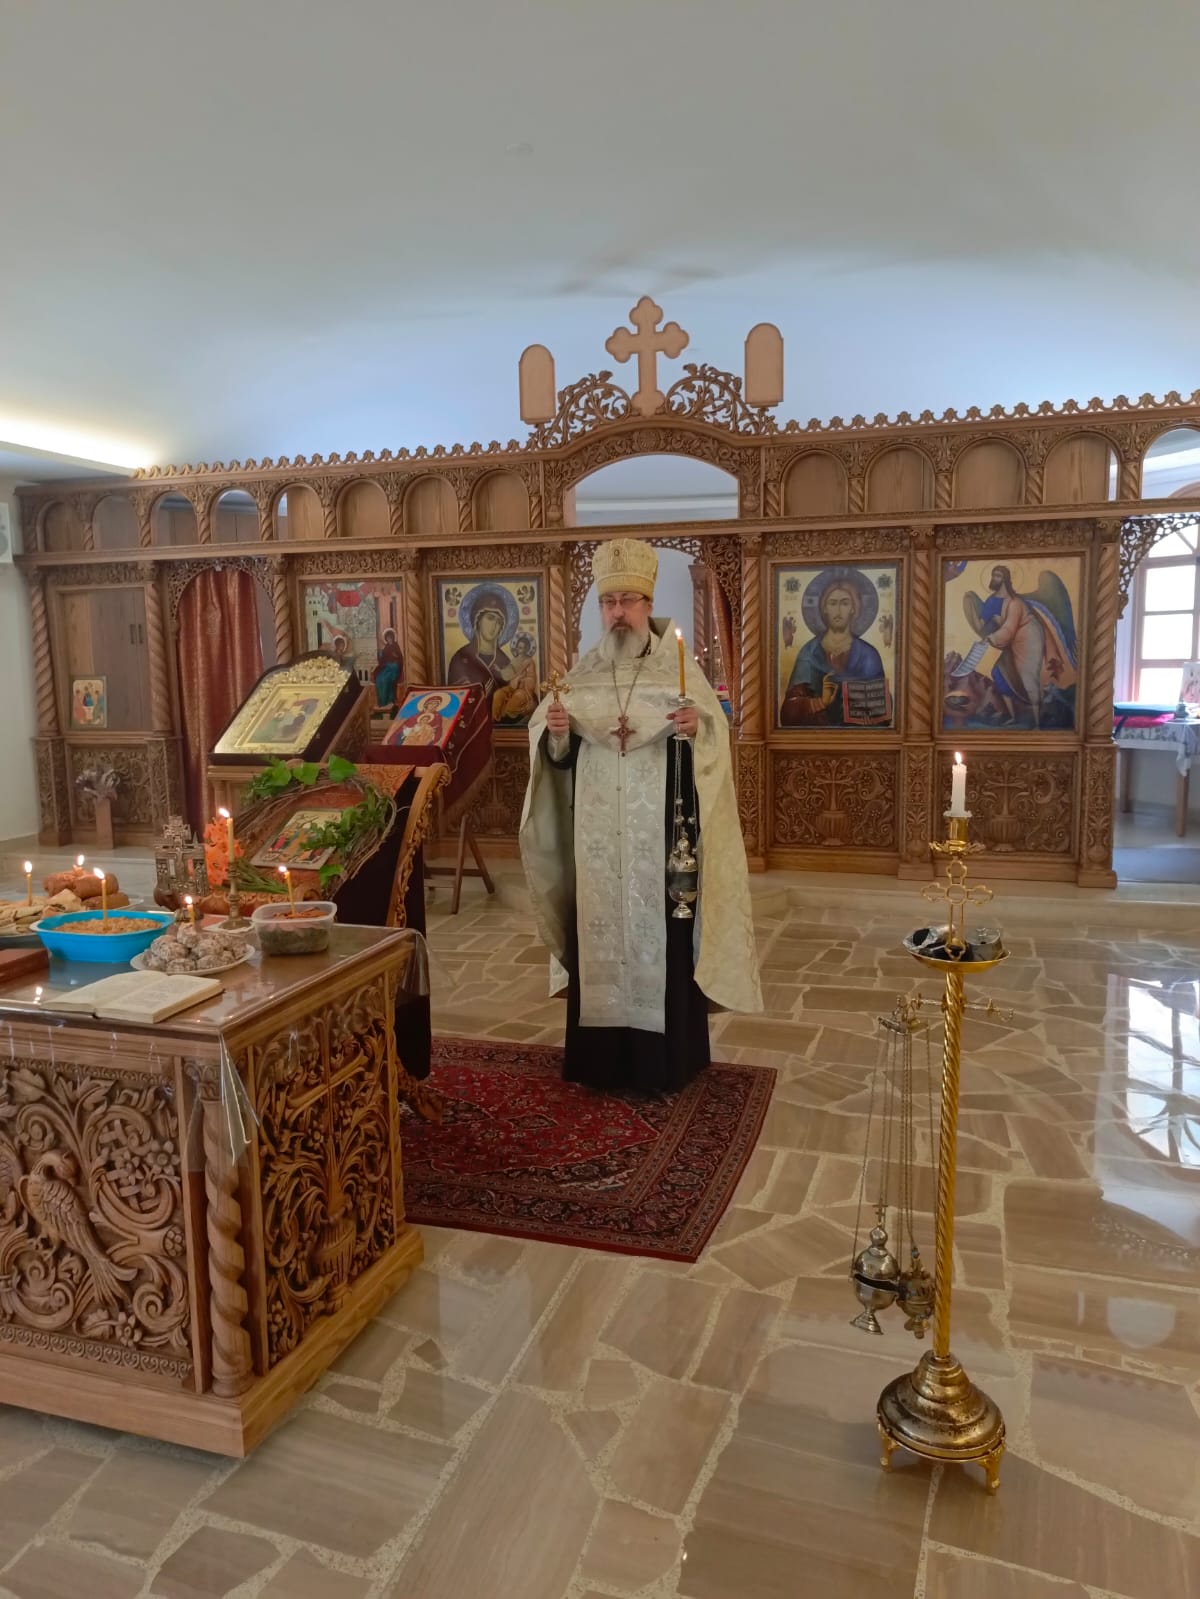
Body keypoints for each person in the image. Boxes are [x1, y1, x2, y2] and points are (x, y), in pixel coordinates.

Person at [520, 538, 761, 1094]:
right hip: (597, 843)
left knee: (664, 938)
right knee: (598, 934)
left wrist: (696, 731)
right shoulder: (581, 674)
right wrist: (556, 736)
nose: (618, 612)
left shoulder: (678, 673)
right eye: (609, 602)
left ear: (648, 604)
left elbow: (713, 743)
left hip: (661, 842)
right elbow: (555, 759)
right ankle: (599, 1061)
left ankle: (666, 1060)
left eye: (628, 600)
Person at [780, 574, 886, 727]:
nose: (838, 610)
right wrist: (821, 702)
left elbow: (881, 712)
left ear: (853, 609)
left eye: (845, 603)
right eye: (832, 603)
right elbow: (788, 713)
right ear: (824, 609)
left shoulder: (869, 655)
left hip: (858, 738)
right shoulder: (809, 653)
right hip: (816, 737)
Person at [447, 587, 516, 713]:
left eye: (499, 622)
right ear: (478, 620)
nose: (494, 626)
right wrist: (479, 696)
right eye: (490, 618)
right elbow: (453, 703)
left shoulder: (504, 661)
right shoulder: (461, 659)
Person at [373, 627, 404, 714]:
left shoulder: (396, 646)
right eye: (388, 638)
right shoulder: (386, 647)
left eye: (390, 638)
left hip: (394, 668)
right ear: (386, 639)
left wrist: (395, 657)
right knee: (379, 679)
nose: (389, 639)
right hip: (386, 667)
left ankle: (389, 700)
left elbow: (400, 659)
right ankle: (382, 702)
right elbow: (383, 660)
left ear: (393, 638)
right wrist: (380, 655)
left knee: (385, 679)